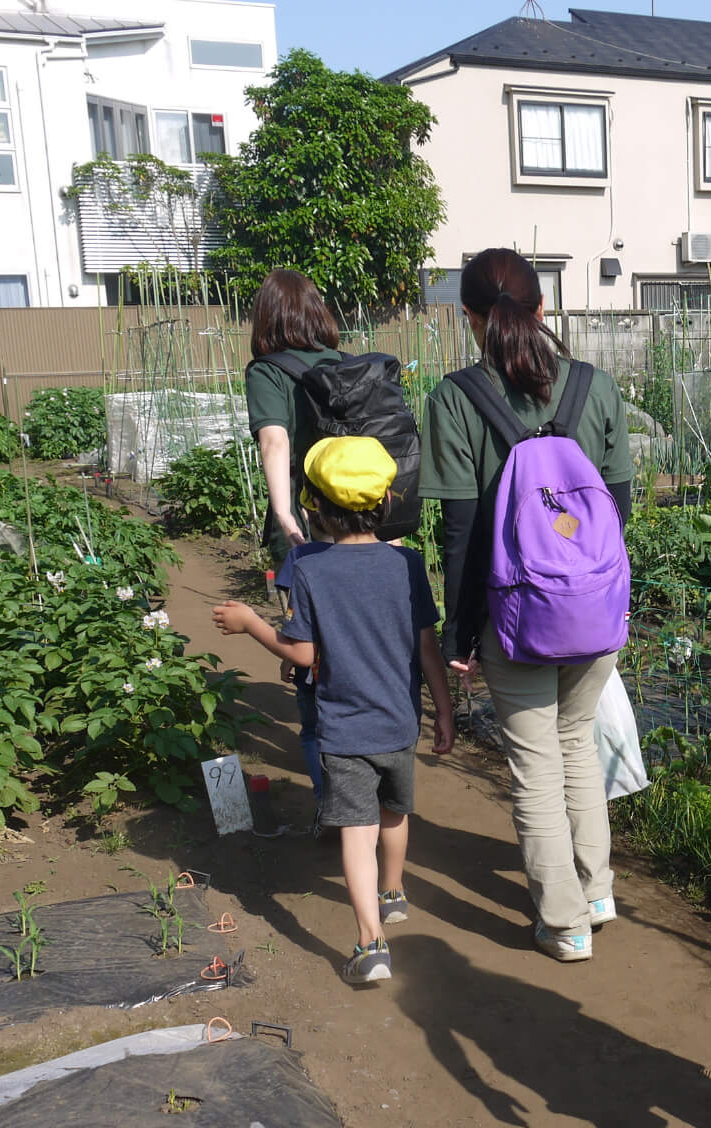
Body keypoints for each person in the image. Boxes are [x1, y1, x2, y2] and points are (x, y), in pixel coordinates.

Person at [423, 248, 635, 964]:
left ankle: (565, 923)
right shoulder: (594, 387)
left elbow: (461, 532)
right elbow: (618, 508)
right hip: (595, 614)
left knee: (536, 764)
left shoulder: (456, 398)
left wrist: (460, 633)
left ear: (469, 319)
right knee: (577, 744)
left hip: (513, 617)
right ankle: (598, 891)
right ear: (544, 308)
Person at [212, 436, 456, 984]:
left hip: (344, 727)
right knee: (395, 812)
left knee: (356, 830)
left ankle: (371, 945)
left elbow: (304, 654)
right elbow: (426, 647)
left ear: (311, 504)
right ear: (388, 499)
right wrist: (442, 710)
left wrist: (252, 624)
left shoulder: (309, 566)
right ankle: (393, 893)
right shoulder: (408, 564)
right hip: (399, 721)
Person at [244, 269, 344, 566]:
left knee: (301, 610)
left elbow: (274, 441)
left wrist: (284, 516)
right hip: (355, 511)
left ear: (266, 317)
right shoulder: (344, 363)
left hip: (304, 508)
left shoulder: (267, 372)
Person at [272, 538, 332, 827]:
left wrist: (288, 660)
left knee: (312, 731)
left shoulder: (301, 556)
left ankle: (324, 803)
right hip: (356, 671)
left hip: (313, 667)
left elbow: (293, 619)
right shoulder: (384, 555)